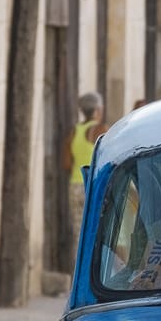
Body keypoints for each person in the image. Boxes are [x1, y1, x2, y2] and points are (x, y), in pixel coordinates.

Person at [65, 92, 106, 253]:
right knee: (97, 229)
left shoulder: (73, 132)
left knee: (79, 232)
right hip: (93, 185)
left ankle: (78, 267)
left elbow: (66, 164)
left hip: (75, 186)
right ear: (97, 110)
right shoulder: (100, 130)